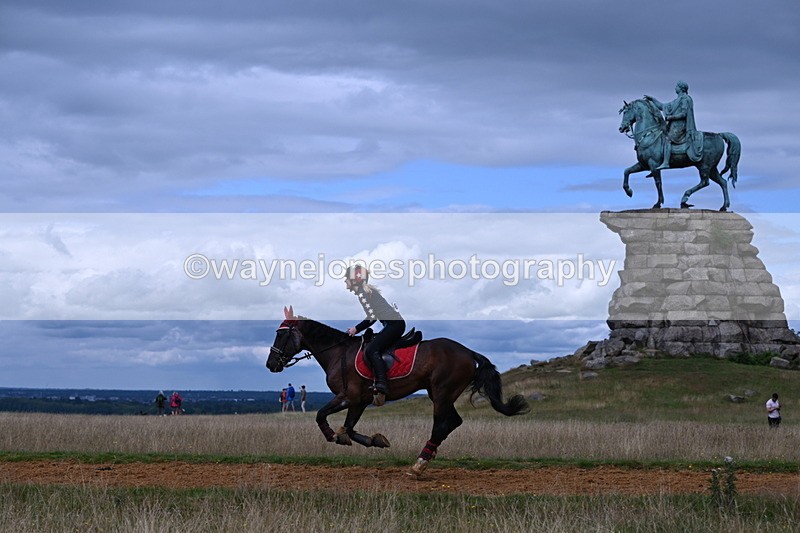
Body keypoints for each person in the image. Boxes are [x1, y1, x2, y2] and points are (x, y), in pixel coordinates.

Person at [345, 264, 405, 406]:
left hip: (394, 325)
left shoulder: (362, 293)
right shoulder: (366, 291)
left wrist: (355, 329)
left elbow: (371, 318)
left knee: (372, 350)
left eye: (347, 279)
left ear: (354, 280)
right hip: (394, 324)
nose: (345, 282)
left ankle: (382, 383)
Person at [644, 80, 702, 170]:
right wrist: (653, 99)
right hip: (673, 126)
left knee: (667, 139)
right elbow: (662, 106)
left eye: (677, 86)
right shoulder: (677, 100)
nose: (675, 88)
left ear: (681, 88)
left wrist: (671, 117)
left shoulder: (685, 99)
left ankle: (666, 162)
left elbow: (684, 114)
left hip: (680, 126)